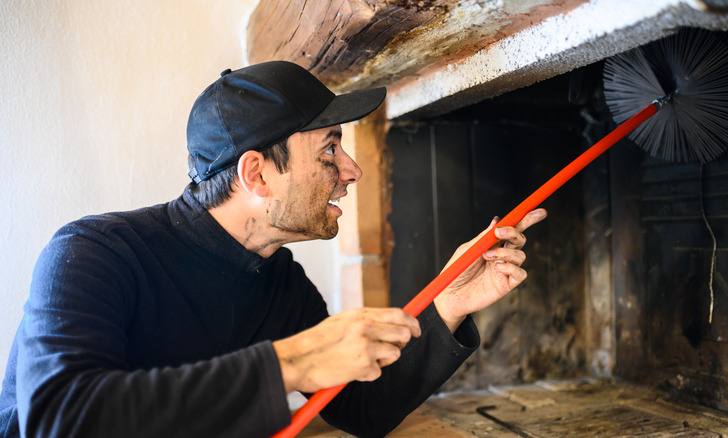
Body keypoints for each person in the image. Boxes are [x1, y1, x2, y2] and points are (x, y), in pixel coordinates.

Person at [0, 61, 546, 438]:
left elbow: (358, 406)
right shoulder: (92, 254)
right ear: (257, 173)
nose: (351, 171)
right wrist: (295, 360)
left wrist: (448, 303)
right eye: (330, 149)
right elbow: (61, 419)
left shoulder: (279, 279)